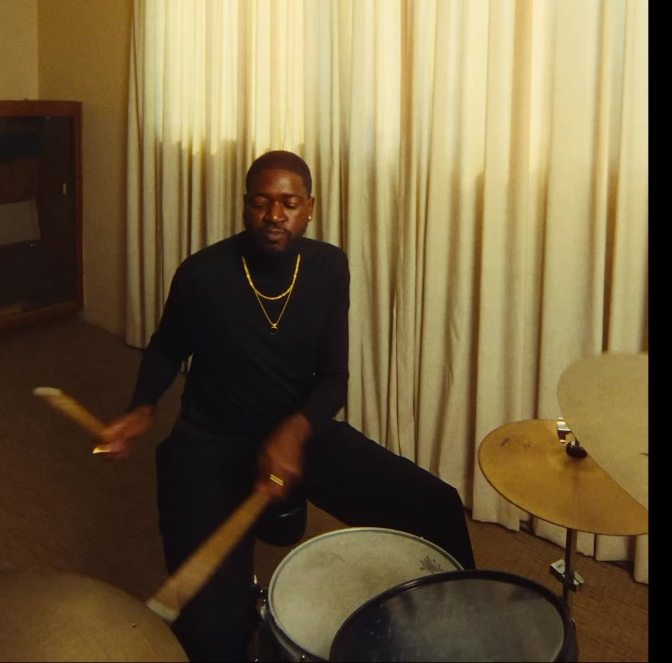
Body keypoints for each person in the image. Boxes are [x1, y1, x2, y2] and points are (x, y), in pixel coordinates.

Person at [99, 150, 476, 662]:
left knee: (438, 506)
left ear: (309, 208)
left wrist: (295, 431)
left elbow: (334, 378)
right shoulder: (202, 274)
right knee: (214, 629)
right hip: (212, 441)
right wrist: (142, 406)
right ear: (245, 205)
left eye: (289, 203)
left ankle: (464, 630)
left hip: (299, 433)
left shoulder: (328, 267)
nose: (274, 215)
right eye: (261, 202)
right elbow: (167, 349)